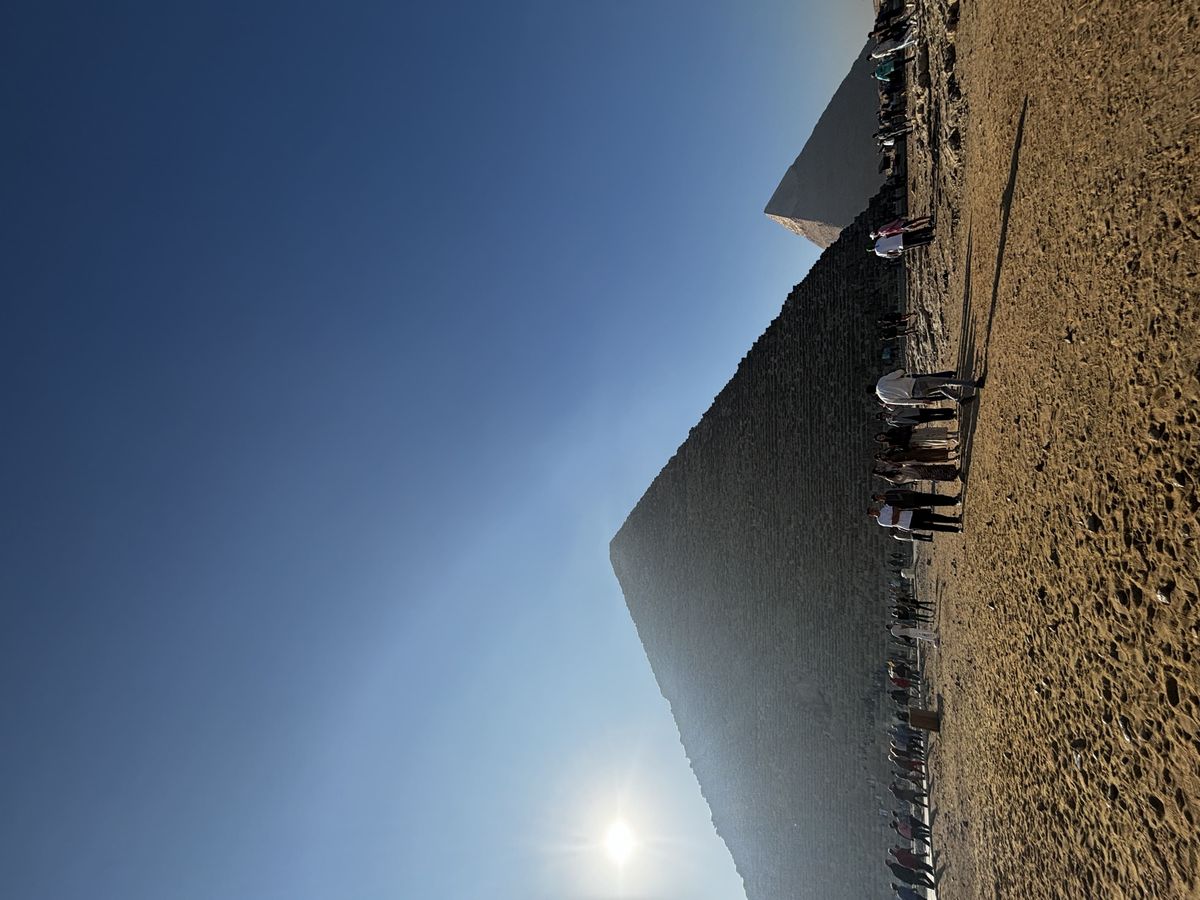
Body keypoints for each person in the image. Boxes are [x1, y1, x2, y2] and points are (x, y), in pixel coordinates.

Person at [876, 369, 980, 405]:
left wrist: (921, 402)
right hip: (915, 384)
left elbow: (904, 402)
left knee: (941, 388)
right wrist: (902, 371)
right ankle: (973, 384)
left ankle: (960, 399)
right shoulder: (882, 382)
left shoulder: (885, 399)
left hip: (916, 394)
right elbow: (898, 373)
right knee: (945, 382)